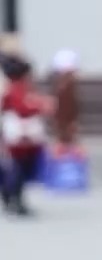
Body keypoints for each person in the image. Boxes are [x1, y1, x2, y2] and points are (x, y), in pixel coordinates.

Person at [1, 58, 51, 217]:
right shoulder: (17, 88)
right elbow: (22, 109)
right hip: (21, 136)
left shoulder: (13, 88)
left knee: (16, 168)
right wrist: (41, 106)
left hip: (18, 135)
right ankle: (15, 200)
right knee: (19, 169)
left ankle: (11, 198)